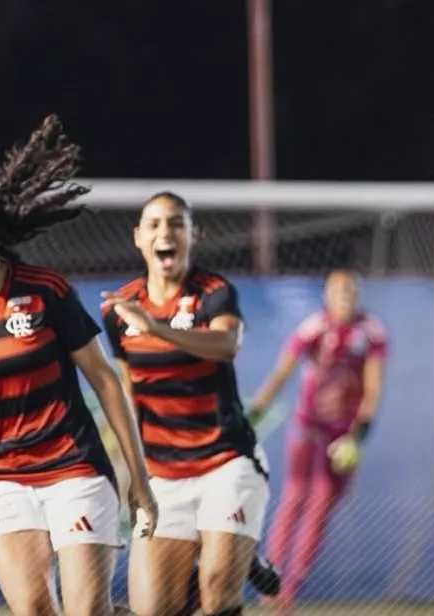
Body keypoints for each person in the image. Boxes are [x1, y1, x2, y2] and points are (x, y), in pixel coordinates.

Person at [0, 114, 158, 616]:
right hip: (2, 478)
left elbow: (106, 383)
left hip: (75, 467)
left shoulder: (45, 291)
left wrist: (139, 478)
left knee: (87, 611)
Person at [100, 192, 273, 616]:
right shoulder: (119, 308)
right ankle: (233, 551)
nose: (166, 233)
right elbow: (131, 394)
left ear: (194, 235)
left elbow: (226, 344)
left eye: (176, 223)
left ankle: (226, 555)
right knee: (154, 609)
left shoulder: (214, 292)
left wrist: (155, 327)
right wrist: (132, 475)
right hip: (164, 473)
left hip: (226, 459)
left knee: (218, 593)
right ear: (138, 237)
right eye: (155, 224)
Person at [249, 269, 388, 615]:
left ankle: (289, 592)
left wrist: (357, 438)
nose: (344, 297)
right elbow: (283, 371)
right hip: (308, 425)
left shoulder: (371, 333)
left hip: (343, 435)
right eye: (338, 291)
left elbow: (373, 390)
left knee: (322, 504)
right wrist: (255, 413)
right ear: (326, 295)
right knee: (295, 497)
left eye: (350, 291)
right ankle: (271, 584)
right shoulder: (314, 326)